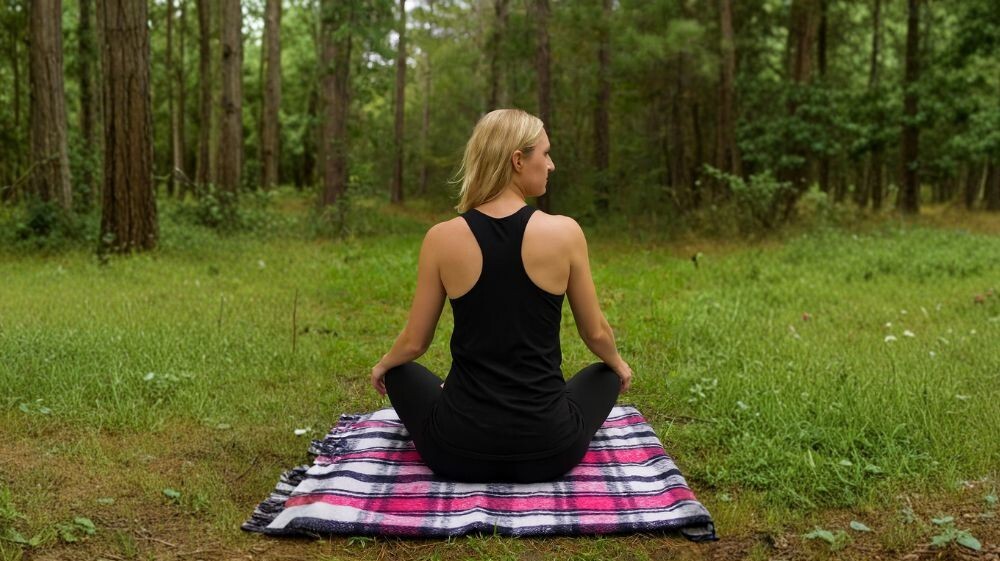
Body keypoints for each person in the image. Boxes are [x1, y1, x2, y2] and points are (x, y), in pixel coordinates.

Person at [370, 108, 633, 483]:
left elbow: (414, 342)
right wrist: (619, 364)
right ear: (517, 160)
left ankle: (457, 393)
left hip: (455, 450)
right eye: (545, 153)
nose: (551, 165)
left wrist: (383, 365)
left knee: (400, 372)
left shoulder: (442, 238)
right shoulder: (565, 233)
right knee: (605, 374)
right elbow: (596, 335)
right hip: (551, 450)